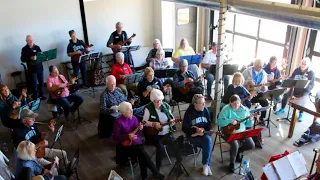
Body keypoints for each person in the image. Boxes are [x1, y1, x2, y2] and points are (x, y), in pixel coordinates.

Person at [113, 102, 165, 180]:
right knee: (141, 152)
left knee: (141, 153)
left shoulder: (134, 118)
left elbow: (139, 133)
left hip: (137, 143)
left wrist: (140, 128)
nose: (131, 111)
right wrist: (127, 136)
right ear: (123, 112)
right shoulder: (118, 121)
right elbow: (115, 137)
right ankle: (152, 173)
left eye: (131, 109)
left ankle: (146, 175)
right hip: (126, 146)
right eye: (129, 110)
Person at [217, 95, 255, 173]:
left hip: (241, 132)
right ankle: (232, 163)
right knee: (235, 144)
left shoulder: (245, 110)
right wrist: (230, 121)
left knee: (251, 145)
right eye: (234, 103)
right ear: (230, 103)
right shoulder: (226, 109)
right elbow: (219, 122)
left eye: (238, 103)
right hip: (227, 131)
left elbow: (248, 125)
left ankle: (238, 152)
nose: (236, 105)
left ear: (240, 102)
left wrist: (251, 120)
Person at [142, 89, 175, 170]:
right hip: (155, 135)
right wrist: (153, 124)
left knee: (176, 144)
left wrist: (172, 121)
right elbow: (144, 122)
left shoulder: (166, 105)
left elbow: (171, 117)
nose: (159, 103)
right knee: (160, 148)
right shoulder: (148, 108)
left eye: (160, 100)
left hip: (167, 132)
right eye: (156, 101)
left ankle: (179, 163)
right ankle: (157, 167)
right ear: (152, 100)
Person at [275, 57, 315, 122]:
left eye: (304, 64)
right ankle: (282, 108)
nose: (303, 65)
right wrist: (287, 80)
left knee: (302, 102)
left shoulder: (311, 73)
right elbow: (291, 78)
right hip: (294, 89)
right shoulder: (297, 70)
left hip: (303, 92)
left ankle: (301, 114)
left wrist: (304, 92)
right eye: (302, 63)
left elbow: (311, 85)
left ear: (308, 65)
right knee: (285, 95)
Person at [182, 94, 213, 176]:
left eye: (204, 102)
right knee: (208, 143)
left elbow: (209, 124)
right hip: (193, 136)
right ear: (195, 104)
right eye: (201, 103)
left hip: (203, 134)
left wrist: (204, 129)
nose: (204, 105)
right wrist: (195, 130)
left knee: (207, 140)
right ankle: (206, 165)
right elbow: (184, 128)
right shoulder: (189, 113)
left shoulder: (205, 110)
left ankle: (205, 165)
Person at [21, 35, 46, 100]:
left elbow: (42, 55)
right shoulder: (24, 49)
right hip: (32, 70)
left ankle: (41, 95)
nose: (31, 41)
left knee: (41, 83)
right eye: (29, 40)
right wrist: (30, 58)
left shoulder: (37, 47)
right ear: (26, 41)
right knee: (34, 84)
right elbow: (22, 59)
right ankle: (35, 96)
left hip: (40, 68)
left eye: (31, 40)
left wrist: (40, 56)